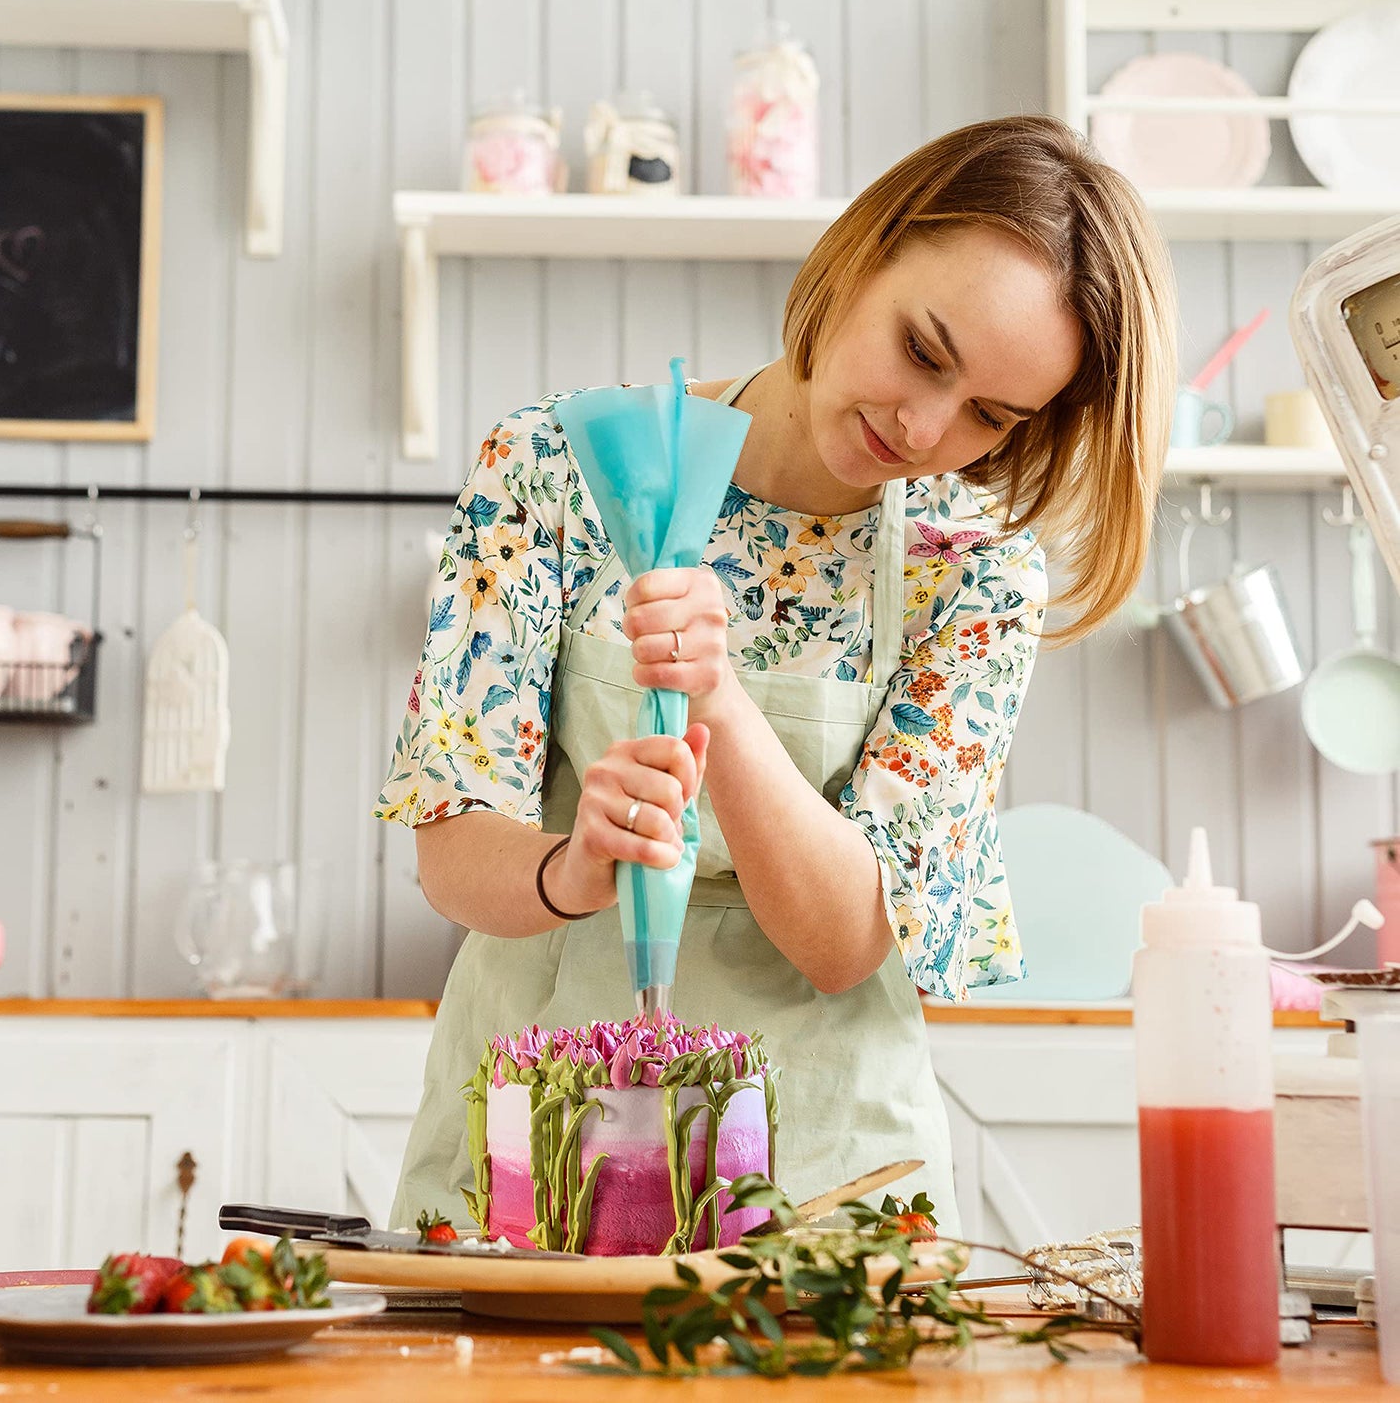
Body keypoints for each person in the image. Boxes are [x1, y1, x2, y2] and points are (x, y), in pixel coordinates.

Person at [376, 114, 1177, 1233]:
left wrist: (720, 698)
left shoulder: (978, 569)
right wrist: (576, 863)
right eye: (923, 351)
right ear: (861, 250)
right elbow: (451, 849)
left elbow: (848, 941)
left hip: (823, 1176)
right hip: (537, 1144)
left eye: (990, 415)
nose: (925, 423)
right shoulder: (559, 466)